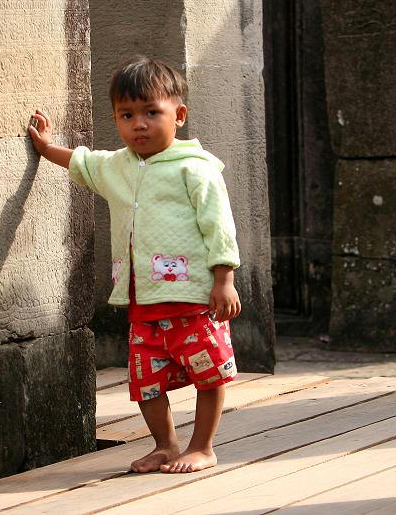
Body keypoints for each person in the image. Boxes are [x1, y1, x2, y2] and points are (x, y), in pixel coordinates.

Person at [28, 58, 241, 474]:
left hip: (194, 299)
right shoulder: (117, 167)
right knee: (145, 383)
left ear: (178, 115)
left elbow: (219, 226)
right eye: (127, 115)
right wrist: (46, 147)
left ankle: (203, 447)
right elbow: (83, 162)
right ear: (116, 119)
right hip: (143, 303)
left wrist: (224, 279)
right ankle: (165, 444)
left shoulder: (194, 168)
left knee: (209, 374)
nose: (138, 124)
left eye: (151, 113)